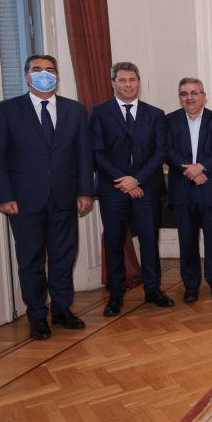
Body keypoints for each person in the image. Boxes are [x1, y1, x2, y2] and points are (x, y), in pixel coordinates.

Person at [0, 54, 93, 339]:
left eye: (49, 70)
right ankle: (36, 315)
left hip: (65, 198)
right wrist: (4, 196)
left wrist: (85, 191)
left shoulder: (74, 110)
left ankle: (61, 309)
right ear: (26, 76)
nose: (44, 74)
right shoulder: (6, 110)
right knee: (31, 259)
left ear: (57, 76)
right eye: (37, 70)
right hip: (23, 201)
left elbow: (84, 154)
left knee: (63, 257)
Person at [90, 62, 172, 316]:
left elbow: (161, 152)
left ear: (139, 82)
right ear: (113, 82)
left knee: (149, 240)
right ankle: (116, 293)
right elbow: (96, 152)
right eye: (122, 80)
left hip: (147, 187)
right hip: (112, 189)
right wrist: (124, 180)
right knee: (114, 242)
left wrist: (137, 180)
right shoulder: (99, 113)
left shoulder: (155, 114)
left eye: (132, 80)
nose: (128, 84)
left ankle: (153, 289)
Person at [165, 77, 212, 303]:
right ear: (179, 97)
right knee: (187, 240)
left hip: (210, 187)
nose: (189, 98)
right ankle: (191, 285)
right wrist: (190, 171)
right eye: (184, 93)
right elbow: (167, 150)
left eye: (194, 93)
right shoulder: (169, 120)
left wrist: (201, 167)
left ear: (203, 95)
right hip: (183, 189)